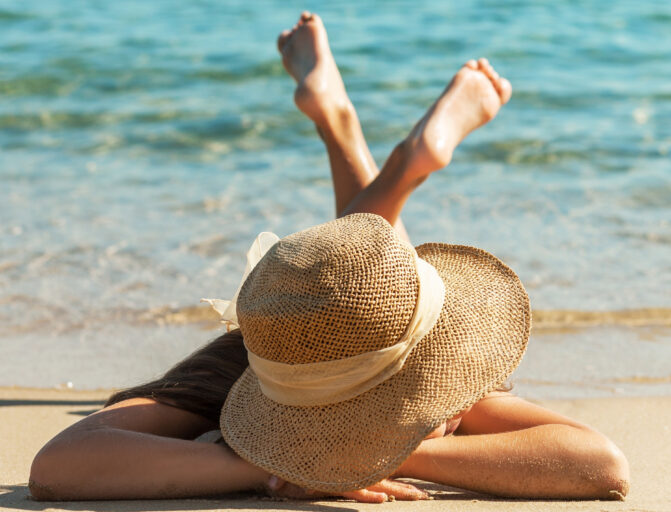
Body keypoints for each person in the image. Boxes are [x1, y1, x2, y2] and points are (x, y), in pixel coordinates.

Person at [28, 12, 629, 504]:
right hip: (299, 339)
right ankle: (359, 137)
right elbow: (57, 468)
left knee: (361, 281)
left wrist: (381, 450)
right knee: (347, 295)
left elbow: (600, 464)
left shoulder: (436, 376)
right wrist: (270, 467)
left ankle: (349, 130)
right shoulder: (251, 369)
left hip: (355, 325)